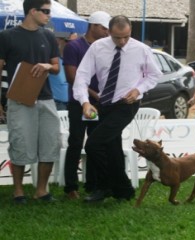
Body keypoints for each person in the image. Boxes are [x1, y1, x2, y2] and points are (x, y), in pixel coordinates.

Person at [73, 15, 162, 203]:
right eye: (117, 37)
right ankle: (123, 190)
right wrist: (84, 101)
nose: (122, 41)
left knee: (93, 144)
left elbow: (154, 75)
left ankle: (106, 187)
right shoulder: (97, 47)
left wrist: (138, 89)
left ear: (130, 32)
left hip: (127, 105)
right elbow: (81, 76)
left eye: (126, 37)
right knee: (110, 147)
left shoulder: (142, 49)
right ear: (109, 31)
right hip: (104, 104)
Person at [0, 0, 60, 203]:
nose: (48, 15)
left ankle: (41, 190)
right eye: (45, 11)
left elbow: (56, 67)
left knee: (50, 145)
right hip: (19, 100)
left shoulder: (49, 36)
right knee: (20, 145)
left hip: (46, 99)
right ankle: (18, 191)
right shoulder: (7, 36)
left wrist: (46, 66)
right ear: (32, 11)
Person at [62, 11, 111, 199]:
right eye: (104, 28)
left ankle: (93, 184)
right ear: (93, 26)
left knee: (95, 142)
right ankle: (71, 186)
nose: (107, 32)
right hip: (78, 102)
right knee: (75, 142)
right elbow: (72, 77)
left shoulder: (104, 47)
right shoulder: (74, 46)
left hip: (100, 102)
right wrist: (92, 94)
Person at [48, 32, 71, 110]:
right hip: (56, 102)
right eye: (67, 41)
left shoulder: (69, 61)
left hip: (69, 102)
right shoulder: (50, 59)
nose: (70, 45)